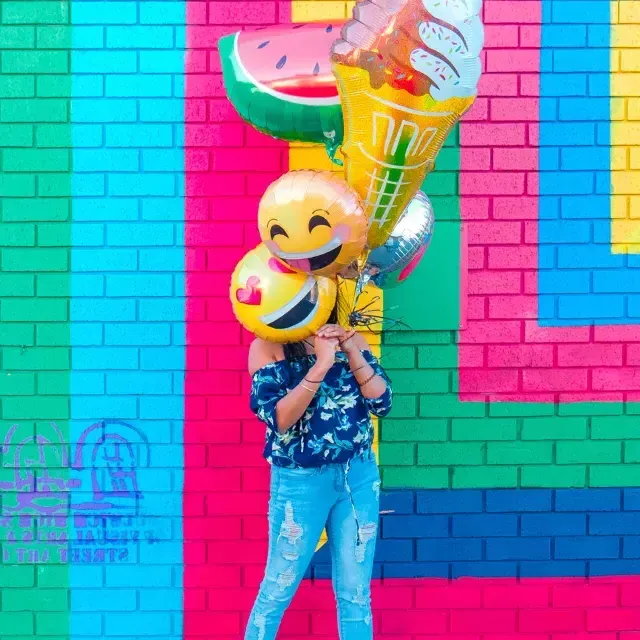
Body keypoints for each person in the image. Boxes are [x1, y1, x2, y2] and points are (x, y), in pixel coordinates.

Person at [244, 299, 393, 640]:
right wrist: (322, 364)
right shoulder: (269, 346)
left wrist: (351, 351)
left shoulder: (353, 340)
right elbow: (280, 419)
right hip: (300, 482)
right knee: (278, 586)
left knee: (355, 593)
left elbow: (382, 403)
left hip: (357, 475)